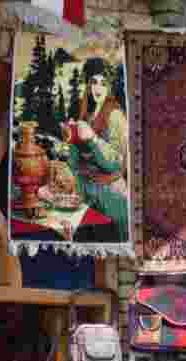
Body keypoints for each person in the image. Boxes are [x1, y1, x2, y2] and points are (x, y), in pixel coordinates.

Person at [62, 58, 130, 243]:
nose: (97, 88)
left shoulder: (115, 115)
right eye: (93, 82)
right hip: (89, 190)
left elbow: (118, 162)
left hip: (112, 193)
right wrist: (71, 139)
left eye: (103, 83)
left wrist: (92, 138)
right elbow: (76, 162)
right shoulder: (88, 114)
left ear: (110, 86)